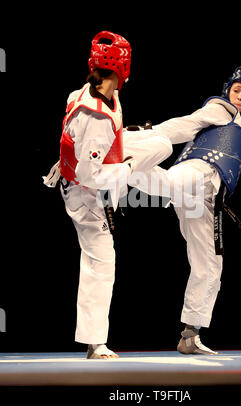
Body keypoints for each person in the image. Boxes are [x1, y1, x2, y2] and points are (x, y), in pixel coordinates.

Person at [43, 31, 172, 359]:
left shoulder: (87, 92)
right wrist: (127, 169)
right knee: (101, 261)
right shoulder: (95, 117)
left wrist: (123, 144)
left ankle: (173, 192)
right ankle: (95, 342)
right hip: (84, 193)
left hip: (98, 159)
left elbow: (87, 146)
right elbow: (90, 175)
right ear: (123, 68)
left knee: (161, 144)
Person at [128, 66, 241, 355]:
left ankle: (191, 333)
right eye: (236, 90)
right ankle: (119, 157)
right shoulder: (221, 108)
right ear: (228, 89)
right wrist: (145, 134)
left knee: (210, 265)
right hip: (199, 171)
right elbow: (186, 124)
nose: (239, 96)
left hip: (209, 197)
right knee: (167, 182)